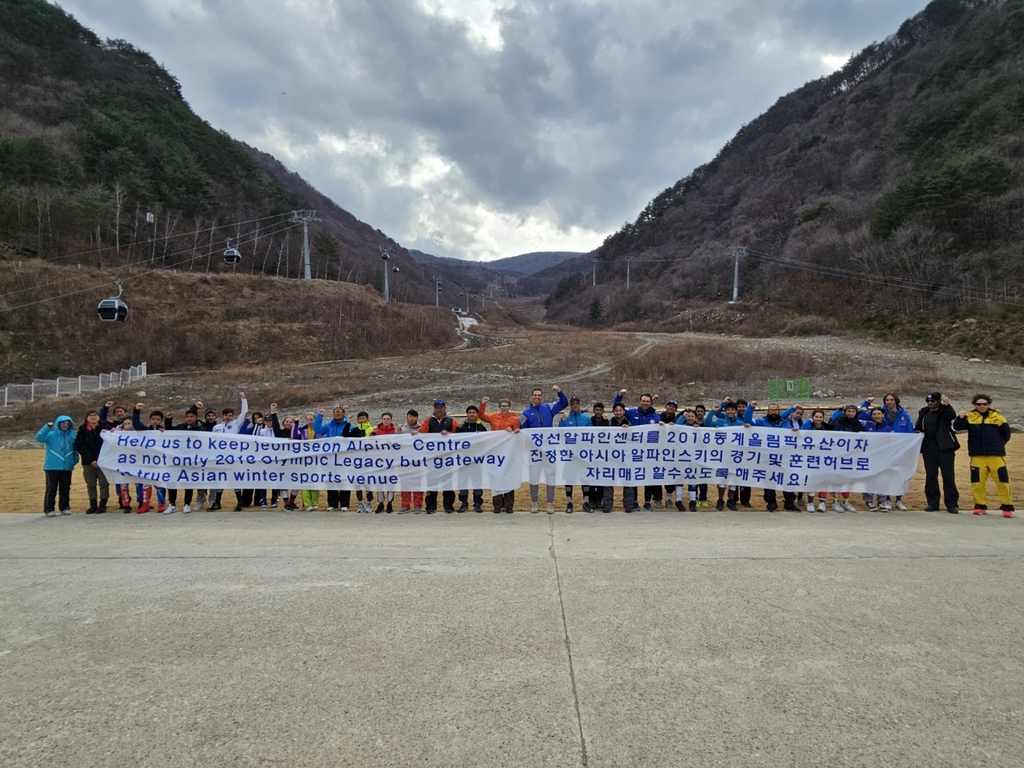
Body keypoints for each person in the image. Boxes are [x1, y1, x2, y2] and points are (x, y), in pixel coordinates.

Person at [954, 395, 1014, 518]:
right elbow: (957, 427)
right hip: (977, 456)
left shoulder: (999, 418)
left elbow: (1006, 434)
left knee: (1002, 482)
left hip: (996, 456)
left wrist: (998, 445)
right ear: (975, 405)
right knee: (977, 483)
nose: (982, 406)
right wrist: (960, 418)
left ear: (989, 404)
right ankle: (980, 506)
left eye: (984, 404)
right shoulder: (970, 417)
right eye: (979, 404)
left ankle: (1007, 507)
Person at [520, 385, 568, 513]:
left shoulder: (548, 408)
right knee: (534, 476)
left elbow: (564, 403)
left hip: (549, 449)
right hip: (534, 451)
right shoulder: (525, 412)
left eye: (539, 395)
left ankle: (549, 503)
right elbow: (523, 431)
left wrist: (559, 392)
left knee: (550, 475)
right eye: (535, 395)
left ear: (542, 397)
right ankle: (535, 502)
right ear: (531, 397)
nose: (537, 397)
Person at [746, 401, 800, 511]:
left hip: (784, 456)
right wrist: (751, 407)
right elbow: (747, 420)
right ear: (767, 411)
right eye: (771, 410)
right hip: (768, 456)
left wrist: (794, 431)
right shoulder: (761, 421)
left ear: (779, 411)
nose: (773, 412)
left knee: (787, 479)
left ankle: (789, 503)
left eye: (775, 410)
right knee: (770, 480)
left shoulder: (786, 422)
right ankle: (771, 503)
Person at [613, 389, 660, 510]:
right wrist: (619, 395)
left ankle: (647, 502)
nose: (645, 403)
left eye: (647, 401)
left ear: (651, 403)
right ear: (640, 401)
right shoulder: (632, 412)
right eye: (643, 401)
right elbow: (617, 407)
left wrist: (664, 426)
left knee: (648, 477)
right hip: (633, 451)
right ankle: (634, 501)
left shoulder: (655, 416)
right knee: (633, 476)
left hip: (648, 452)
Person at [915, 392, 960, 514]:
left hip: (945, 448)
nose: (930, 403)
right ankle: (933, 503)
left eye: (933, 401)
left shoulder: (945, 411)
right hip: (929, 447)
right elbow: (918, 426)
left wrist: (947, 404)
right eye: (928, 401)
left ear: (938, 401)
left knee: (948, 476)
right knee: (931, 476)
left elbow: (952, 416)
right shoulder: (924, 412)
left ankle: (951, 504)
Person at [479, 397, 520, 513]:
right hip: (495, 452)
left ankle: (508, 505)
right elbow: (482, 416)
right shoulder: (494, 417)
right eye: (502, 406)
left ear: (509, 407)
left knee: (508, 477)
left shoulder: (514, 419)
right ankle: (497, 504)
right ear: (499, 407)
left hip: (508, 453)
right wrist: (482, 404)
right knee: (495, 477)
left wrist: (513, 432)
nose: (504, 408)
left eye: (506, 406)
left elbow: (518, 435)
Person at [164, 406, 206, 512]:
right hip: (177, 459)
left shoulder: (201, 429)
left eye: (192, 416)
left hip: (192, 460)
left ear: (196, 417)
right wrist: (168, 420)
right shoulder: (181, 427)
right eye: (187, 416)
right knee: (172, 481)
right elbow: (169, 431)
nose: (189, 418)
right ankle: (172, 504)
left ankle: (186, 504)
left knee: (188, 482)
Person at [36, 415, 78, 516]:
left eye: (68, 423)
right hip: (52, 466)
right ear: (58, 424)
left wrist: (74, 460)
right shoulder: (51, 434)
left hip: (67, 467)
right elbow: (39, 438)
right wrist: (47, 427)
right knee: (51, 488)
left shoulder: (72, 435)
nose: (65, 425)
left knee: (65, 488)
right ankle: (49, 509)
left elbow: (75, 449)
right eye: (63, 423)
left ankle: (64, 507)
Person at [705, 401, 743, 510]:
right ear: (725, 411)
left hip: (736, 456)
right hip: (722, 455)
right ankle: (720, 499)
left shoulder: (740, 423)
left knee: (733, 479)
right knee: (722, 479)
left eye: (732, 410)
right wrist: (712, 411)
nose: (730, 412)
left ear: (736, 411)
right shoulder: (719, 421)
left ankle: (731, 501)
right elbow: (707, 424)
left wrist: (748, 427)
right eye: (728, 410)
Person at [421, 400, 457, 513]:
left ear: (445, 408)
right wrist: (426, 422)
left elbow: (460, 436)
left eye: (441, 407)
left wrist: (450, 434)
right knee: (431, 484)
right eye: (437, 407)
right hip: (432, 458)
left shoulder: (451, 421)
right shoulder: (429, 420)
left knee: (448, 484)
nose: (439, 409)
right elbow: (422, 434)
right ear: (434, 408)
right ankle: (430, 507)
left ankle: (448, 506)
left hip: (447, 458)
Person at [132, 403, 168, 513]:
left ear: (161, 420)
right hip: (146, 461)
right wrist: (136, 411)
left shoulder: (164, 431)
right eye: (153, 419)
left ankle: (161, 504)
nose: (155, 421)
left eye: (158, 419)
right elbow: (136, 424)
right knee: (146, 483)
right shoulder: (145, 430)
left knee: (159, 483)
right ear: (150, 419)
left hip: (159, 461)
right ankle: (145, 504)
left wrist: (165, 432)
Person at [558, 396, 591, 513]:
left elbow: (591, 435)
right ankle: (569, 502)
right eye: (573, 404)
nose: (575, 405)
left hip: (583, 455)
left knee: (585, 478)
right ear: (570, 405)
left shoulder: (586, 419)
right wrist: (562, 421)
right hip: (569, 455)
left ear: (580, 404)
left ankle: (586, 501)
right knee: (569, 479)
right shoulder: (566, 418)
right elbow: (560, 433)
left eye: (577, 403)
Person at [314, 404, 350, 512]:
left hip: (343, 458)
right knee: (331, 479)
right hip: (330, 458)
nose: (337, 413)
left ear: (343, 413)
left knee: (343, 480)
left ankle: (344, 504)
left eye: (340, 411)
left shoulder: (348, 425)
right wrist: (319, 416)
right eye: (335, 411)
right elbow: (318, 429)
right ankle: (332, 503)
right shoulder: (328, 425)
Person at [75, 409, 111, 514]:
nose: (93, 417)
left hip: (103, 461)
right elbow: (80, 446)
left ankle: (103, 505)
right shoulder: (82, 430)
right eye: (90, 415)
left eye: (95, 415)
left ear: (99, 417)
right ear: (87, 418)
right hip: (88, 462)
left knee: (104, 483)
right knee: (90, 484)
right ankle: (93, 505)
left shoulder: (105, 427)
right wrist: (91, 460)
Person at [456, 405, 488, 512]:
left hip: (476, 461)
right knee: (463, 482)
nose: (471, 414)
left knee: (477, 482)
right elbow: (455, 443)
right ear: (467, 414)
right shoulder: (460, 428)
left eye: (474, 413)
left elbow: (486, 444)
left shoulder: (482, 428)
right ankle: (463, 503)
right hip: (463, 460)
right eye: (469, 412)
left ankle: (477, 503)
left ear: (477, 414)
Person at [861, 407, 894, 511]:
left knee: (882, 479)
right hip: (869, 457)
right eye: (874, 414)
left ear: (883, 415)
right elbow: (852, 416)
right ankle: (869, 502)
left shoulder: (889, 429)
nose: (876, 416)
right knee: (869, 479)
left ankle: (882, 501)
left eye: (878, 414)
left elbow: (894, 443)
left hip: (883, 458)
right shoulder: (866, 425)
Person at [802, 409, 832, 512]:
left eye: (820, 417)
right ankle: (810, 502)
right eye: (816, 417)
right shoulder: (809, 426)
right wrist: (808, 421)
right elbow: (802, 432)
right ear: (812, 417)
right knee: (812, 480)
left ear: (823, 418)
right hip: (811, 458)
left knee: (824, 480)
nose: (818, 419)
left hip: (824, 458)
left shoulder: (827, 428)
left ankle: (822, 503)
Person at [609, 403, 636, 512]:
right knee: (609, 481)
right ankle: (607, 505)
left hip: (627, 457)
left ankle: (629, 505)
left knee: (628, 481)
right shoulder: (610, 423)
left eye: (620, 410)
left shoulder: (629, 423)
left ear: (624, 411)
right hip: (612, 457)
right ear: (614, 412)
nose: (618, 412)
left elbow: (634, 439)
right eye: (616, 410)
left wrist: (628, 430)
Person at [397, 410, 425, 514]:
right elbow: (395, 442)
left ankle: (417, 505)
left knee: (417, 483)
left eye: (414, 417)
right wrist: (398, 431)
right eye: (410, 416)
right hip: (404, 461)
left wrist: (420, 434)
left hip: (417, 461)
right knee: (405, 483)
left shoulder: (422, 428)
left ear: (417, 418)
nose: (412, 418)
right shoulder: (402, 429)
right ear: (406, 417)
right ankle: (405, 505)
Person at [587, 402, 610, 513]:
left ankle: (598, 500)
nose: (598, 412)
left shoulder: (607, 422)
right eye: (596, 410)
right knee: (591, 478)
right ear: (594, 411)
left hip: (603, 454)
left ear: (603, 411)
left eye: (600, 410)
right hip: (591, 454)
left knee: (601, 479)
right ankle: (591, 499)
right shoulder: (589, 421)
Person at [373, 413, 397, 513]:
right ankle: (381, 503)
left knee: (390, 483)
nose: (386, 420)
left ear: (391, 420)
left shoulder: (395, 431)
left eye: (388, 419)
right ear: (381, 420)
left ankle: (390, 503)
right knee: (380, 483)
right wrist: (373, 433)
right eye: (384, 419)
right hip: (379, 461)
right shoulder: (377, 431)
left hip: (391, 461)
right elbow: (370, 443)